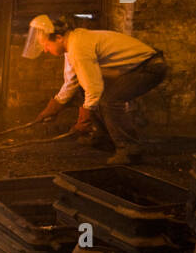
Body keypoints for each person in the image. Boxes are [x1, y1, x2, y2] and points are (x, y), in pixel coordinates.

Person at [23, 14, 167, 165]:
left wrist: (83, 120)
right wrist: (53, 108)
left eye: (46, 45)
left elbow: (94, 89)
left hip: (150, 67)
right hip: (136, 68)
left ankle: (130, 150)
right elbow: (71, 82)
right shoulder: (72, 44)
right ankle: (105, 138)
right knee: (85, 93)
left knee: (110, 100)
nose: (45, 50)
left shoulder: (78, 47)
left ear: (58, 38)